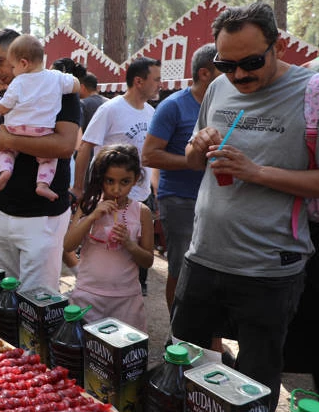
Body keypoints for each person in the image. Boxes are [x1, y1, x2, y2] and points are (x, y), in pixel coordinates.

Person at [174, 2, 319, 412]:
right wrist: (197, 145)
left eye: (251, 62)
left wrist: (255, 171)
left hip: (268, 267)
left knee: (254, 388)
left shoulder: (313, 92)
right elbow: (191, 159)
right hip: (202, 256)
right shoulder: (220, 88)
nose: (239, 75)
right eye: (227, 65)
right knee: (184, 368)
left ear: (276, 46)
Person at [0, 28, 81, 294]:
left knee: (38, 302)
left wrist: (10, 141)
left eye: (1, 62)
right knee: (3, 297)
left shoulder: (59, 90)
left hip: (41, 217)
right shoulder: (7, 94)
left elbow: (65, 145)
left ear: (21, 57)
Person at [72, 56, 161, 296]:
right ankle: (96, 289)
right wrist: (79, 188)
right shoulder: (110, 109)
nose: (160, 85)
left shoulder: (152, 113)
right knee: (102, 248)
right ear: (139, 81)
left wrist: (155, 189)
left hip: (140, 197)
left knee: (136, 254)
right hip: (107, 198)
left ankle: (131, 295)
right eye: (156, 79)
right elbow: (85, 148)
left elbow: (152, 157)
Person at [142, 44, 218, 311]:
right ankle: (176, 337)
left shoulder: (226, 105)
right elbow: (149, 155)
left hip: (217, 201)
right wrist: (194, 161)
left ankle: (209, 342)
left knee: (212, 274)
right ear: (205, 73)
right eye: (226, 68)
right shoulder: (173, 106)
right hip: (179, 201)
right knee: (180, 270)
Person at [64, 144, 154, 330]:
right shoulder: (89, 205)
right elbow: (68, 244)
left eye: (125, 182)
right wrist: (91, 218)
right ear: (100, 179)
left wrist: (129, 244)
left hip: (126, 299)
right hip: (88, 295)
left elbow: (148, 261)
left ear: (136, 179)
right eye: (109, 181)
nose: (116, 189)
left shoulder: (141, 212)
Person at [0, 34, 79, 201]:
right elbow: (75, 85)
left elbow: (5, 105)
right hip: (41, 131)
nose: (12, 71)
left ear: (23, 63)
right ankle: (43, 184)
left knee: (6, 150)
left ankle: (5, 171)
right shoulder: (56, 77)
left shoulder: (18, 82)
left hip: (15, 129)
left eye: (13, 66)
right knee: (48, 159)